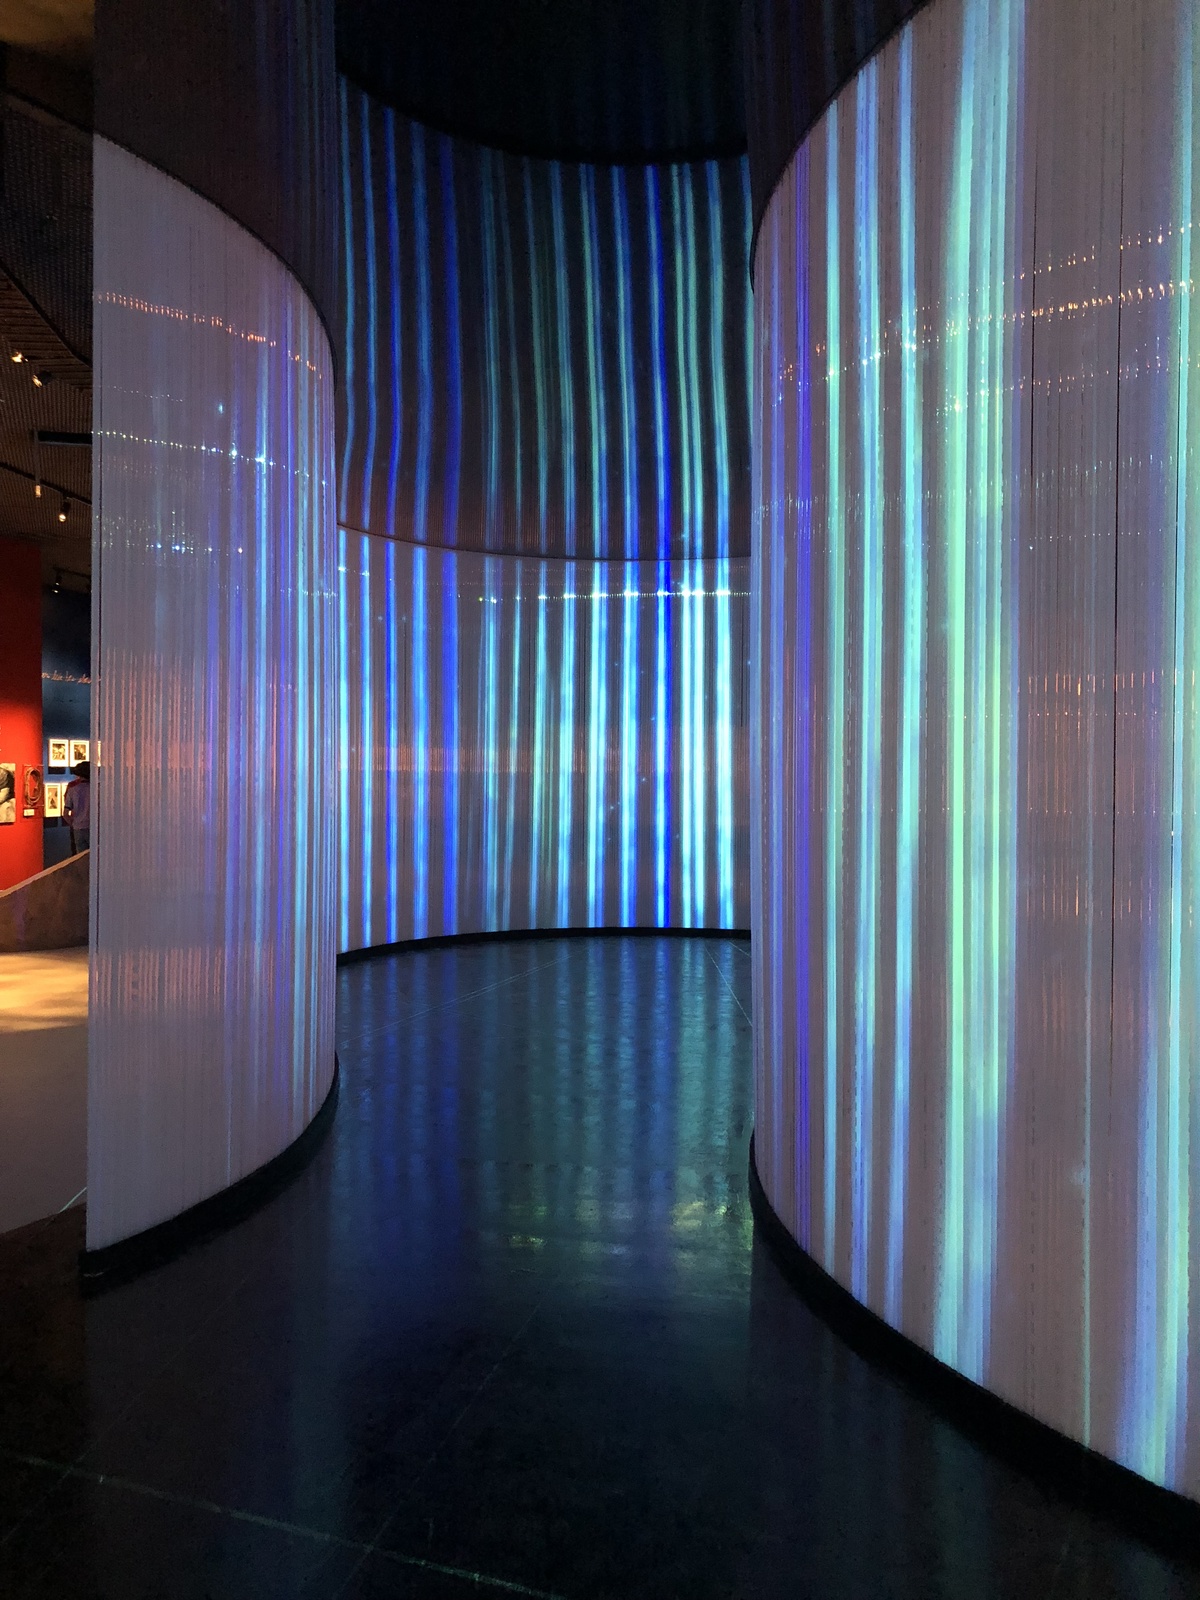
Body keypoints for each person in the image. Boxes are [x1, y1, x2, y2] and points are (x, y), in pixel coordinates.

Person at [63, 760, 90, 854]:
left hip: (78, 827)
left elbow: (65, 813)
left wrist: (74, 824)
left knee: (80, 857)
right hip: (93, 827)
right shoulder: (97, 789)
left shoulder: (72, 789)